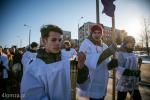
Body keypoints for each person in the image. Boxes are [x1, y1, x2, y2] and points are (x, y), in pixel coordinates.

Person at [21, 24, 87, 100]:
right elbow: (32, 95)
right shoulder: (34, 68)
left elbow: (81, 81)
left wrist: (81, 67)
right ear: (44, 41)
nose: (58, 43)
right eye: (53, 40)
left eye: (59, 40)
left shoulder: (67, 60)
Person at [77, 24, 117, 100]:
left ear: (102, 34)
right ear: (91, 33)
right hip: (92, 80)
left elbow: (106, 64)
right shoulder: (86, 43)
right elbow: (86, 62)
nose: (97, 35)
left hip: (103, 81)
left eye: (99, 33)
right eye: (95, 32)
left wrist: (111, 65)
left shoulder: (104, 45)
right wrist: (106, 54)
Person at [116, 36, 142, 100]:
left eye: (134, 42)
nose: (133, 44)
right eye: (131, 42)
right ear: (125, 43)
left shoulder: (132, 54)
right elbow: (118, 68)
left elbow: (135, 67)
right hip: (123, 83)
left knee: (138, 98)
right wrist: (130, 72)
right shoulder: (121, 53)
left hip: (133, 82)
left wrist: (138, 74)